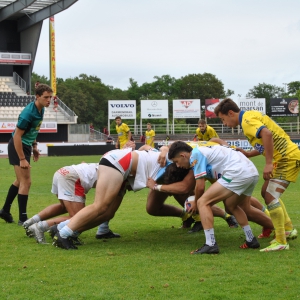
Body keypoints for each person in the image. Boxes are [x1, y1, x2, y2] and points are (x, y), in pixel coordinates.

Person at [214, 98, 299, 252]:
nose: (224, 123)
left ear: (231, 113)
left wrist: (267, 163)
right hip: (284, 157)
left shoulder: (247, 121)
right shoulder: (250, 116)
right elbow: (263, 144)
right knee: (266, 192)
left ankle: (281, 240)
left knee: (270, 195)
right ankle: (287, 229)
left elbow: (266, 134)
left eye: (223, 119)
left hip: (287, 157)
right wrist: (247, 153)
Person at [167, 141, 261, 254]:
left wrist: (196, 202)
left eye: (176, 162)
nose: (178, 165)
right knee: (231, 206)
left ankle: (210, 244)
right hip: (252, 172)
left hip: (237, 172)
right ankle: (251, 239)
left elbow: (200, 187)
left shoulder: (195, 155)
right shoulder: (202, 149)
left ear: (183, 155)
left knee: (203, 202)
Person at [22, 162, 119, 244]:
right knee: (79, 217)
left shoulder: (106, 163)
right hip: (71, 177)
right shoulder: (117, 172)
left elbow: (83, 163)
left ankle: (30, 221)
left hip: (63, 171)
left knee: (64, 207)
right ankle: (39, 227)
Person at [0, 84, 52, 225]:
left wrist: (34, 146)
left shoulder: (40, 109)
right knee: (26, 181)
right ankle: (23, 219)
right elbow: (17, 136)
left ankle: (5, 210)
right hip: (18, 146)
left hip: (26, 146)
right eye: (46, 97)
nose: (49, 100)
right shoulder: (28, 113)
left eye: (50, 97)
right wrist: (22, 158)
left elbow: (33, 130)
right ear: (38, 97)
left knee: (19, 181)